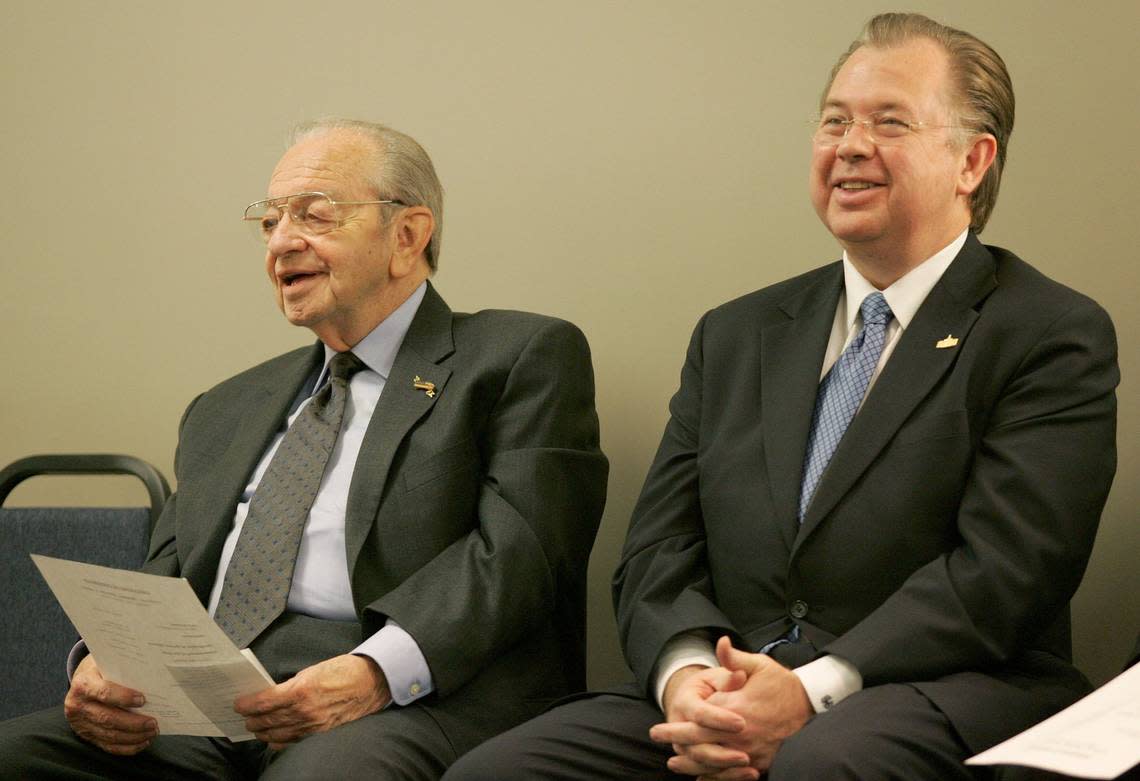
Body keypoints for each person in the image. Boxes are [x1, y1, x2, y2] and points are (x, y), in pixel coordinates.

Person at [443, 12, 1119, 780]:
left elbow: (1006, 573)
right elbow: (657, 552)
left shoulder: (1048, 331)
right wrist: (689, 679)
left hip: (939, 686)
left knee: (819, 764)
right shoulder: (735, 333)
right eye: (834, 121)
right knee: (496, 772)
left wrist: (809, 690)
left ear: (972, 161)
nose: (849, 145)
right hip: (728, 685)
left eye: (889, 121)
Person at [0, 119, 608, 779]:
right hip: (211, 711)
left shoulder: (519, 357)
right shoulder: (224, 407)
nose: (282, 243)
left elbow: (521, 556)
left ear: (406, 235)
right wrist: (106, 664)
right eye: (269, 223)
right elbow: (168, 573)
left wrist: (374, 671)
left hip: (411, 701)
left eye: (314, 216)